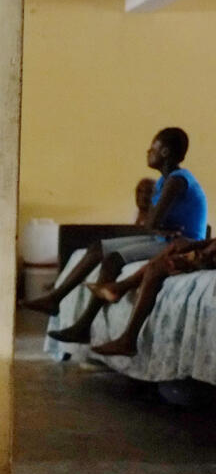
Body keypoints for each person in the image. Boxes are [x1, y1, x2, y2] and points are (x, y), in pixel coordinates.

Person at [23, 128, 207, 345]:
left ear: (165, 152)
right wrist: (156, 226)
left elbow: (151, 222)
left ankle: (83, 326)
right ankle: (55, 298)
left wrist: (156, 226)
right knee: (98, 248)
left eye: (153, 148)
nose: (148, 152)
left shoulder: (177, 181)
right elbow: (152, 223)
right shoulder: (163, 181)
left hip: (184, 243)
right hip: (164, 238)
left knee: (113, 259)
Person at [88, 237, 216, 356]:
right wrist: (194, 246)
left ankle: (128, 339)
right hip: (207, 255)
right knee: (177, 245)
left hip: (209, 260)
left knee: (159, 266)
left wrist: (201, 255)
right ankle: (120, 288)